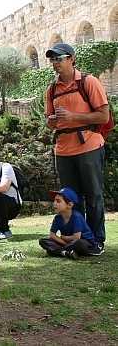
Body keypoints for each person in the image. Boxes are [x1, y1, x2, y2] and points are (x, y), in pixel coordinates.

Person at [44, 43, 109, 255]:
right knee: (71, 200)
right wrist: (52, 121)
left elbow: (103, 116)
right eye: (53, 60)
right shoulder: (51, 90)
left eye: (59, 58)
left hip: (89, 145)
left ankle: (96, 240)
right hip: (63, 151)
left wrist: (74, 117)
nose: (55, 63)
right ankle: (78, 241)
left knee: (94, 196)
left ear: (71, 58)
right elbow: (49, 121)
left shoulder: (89, 82)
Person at [39, 187, 96, 259]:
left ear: (69, 205)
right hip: (68, 243)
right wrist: (65, 243)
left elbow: (76, 237)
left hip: (84, 243)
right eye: (54, 201)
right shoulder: (57, 218)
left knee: (79, 243)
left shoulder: (76, 217)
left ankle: (59, 251)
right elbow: (52, 235)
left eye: (58, 201)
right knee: (43, 241)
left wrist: (64, 237)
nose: (54, 204)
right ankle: (66, 252)